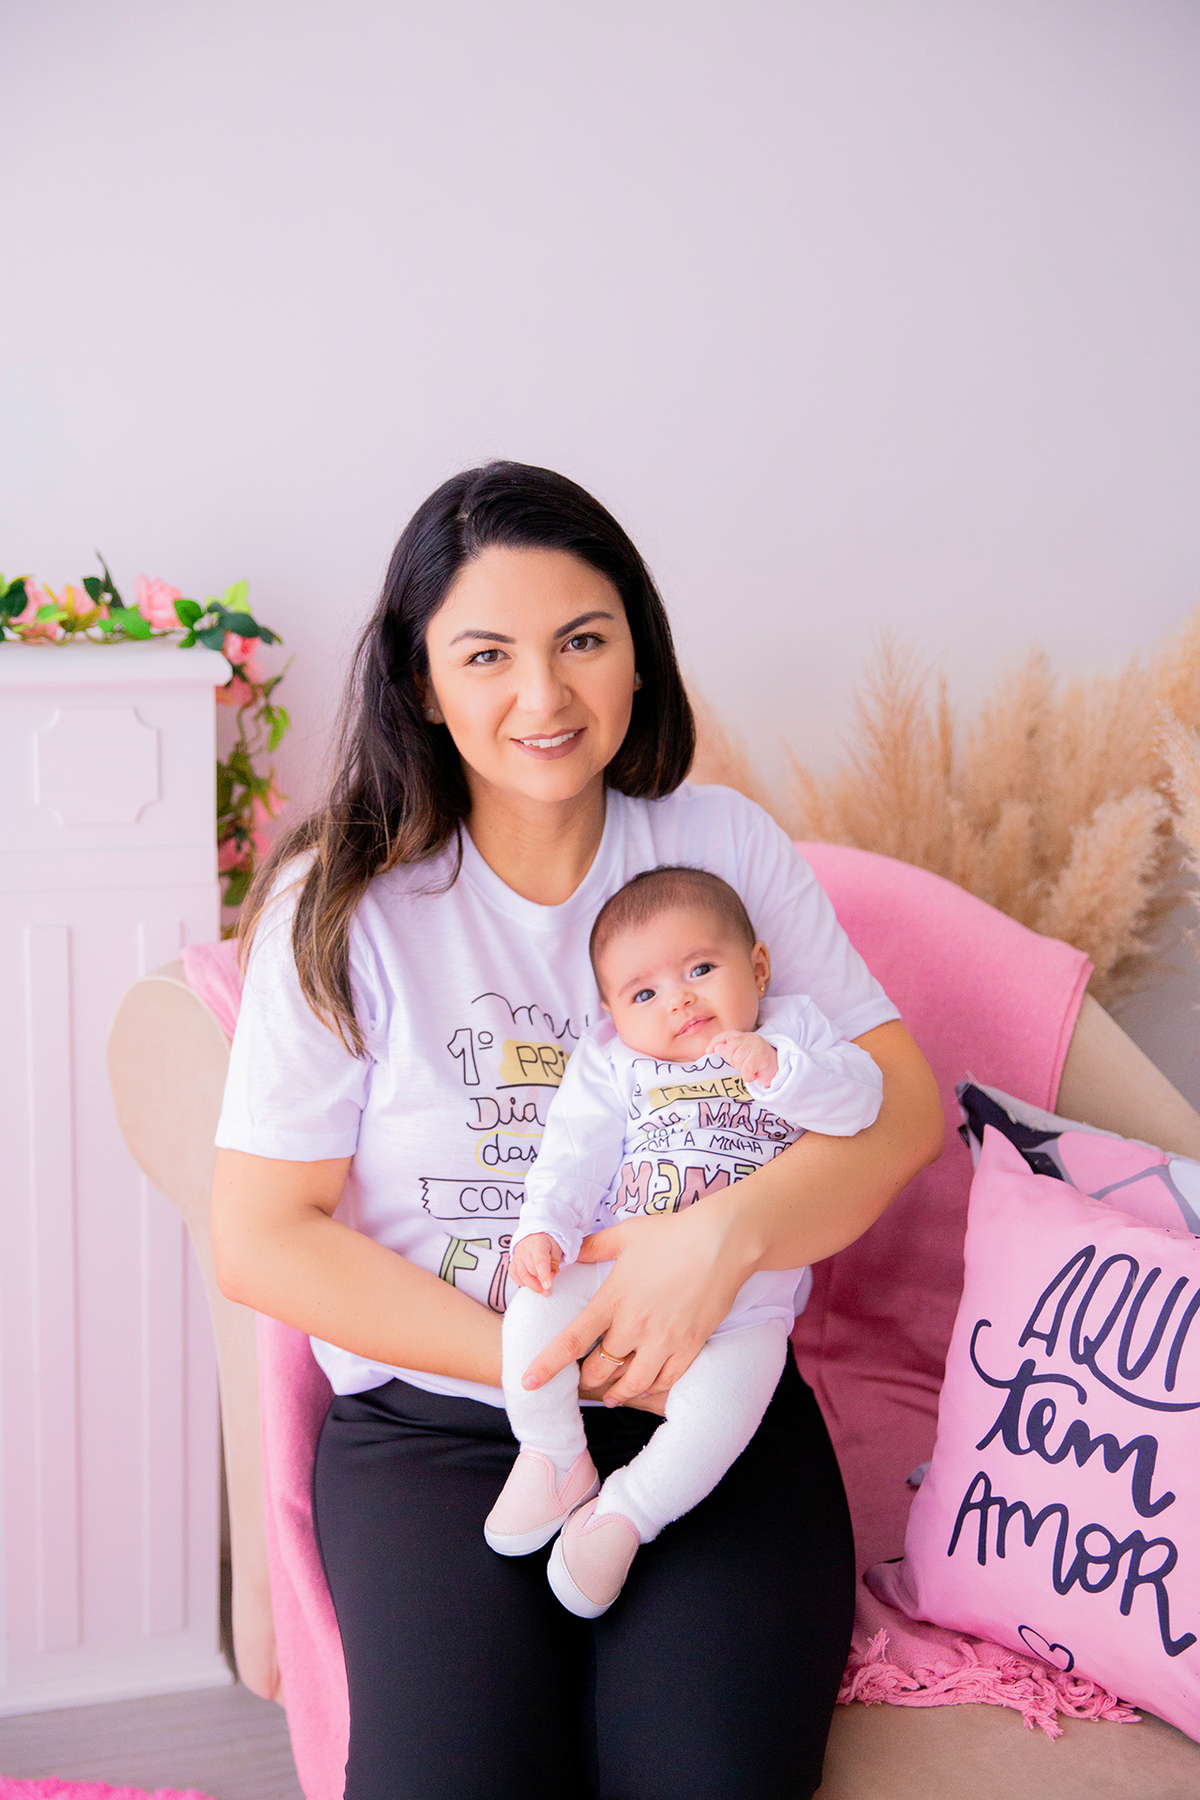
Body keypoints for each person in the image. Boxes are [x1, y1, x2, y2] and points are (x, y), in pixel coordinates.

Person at [211, 461, 944, 1800]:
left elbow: (900, 1114)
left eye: (582, 642)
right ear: (420, 679)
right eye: (485, 653)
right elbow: (263, 1240)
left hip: (705, 1403)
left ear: (639, 654)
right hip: (435, 1428)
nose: (542, 698)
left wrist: (717, 1246)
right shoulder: (346, 900)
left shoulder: (720, 845)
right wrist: (537, 1358)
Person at [489, 864, 884, 1622]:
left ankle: (626, 1515)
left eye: (701, 969)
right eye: (644, 994)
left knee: (726, 1413)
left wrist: (782, 1074)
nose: (678, 999)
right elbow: (570, 1151)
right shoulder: (613, 1061)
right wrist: (543, 1227)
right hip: (620, 1275)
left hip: (749, 1304)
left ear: (757, 968)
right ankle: (553, 1454)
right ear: (611, 1012)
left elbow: (864, 1100)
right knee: (535, 1312)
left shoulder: (792, 1033)